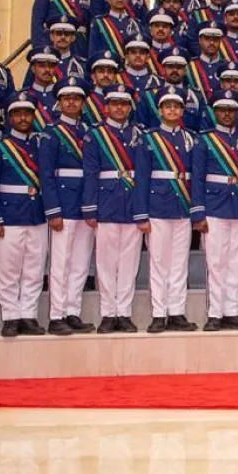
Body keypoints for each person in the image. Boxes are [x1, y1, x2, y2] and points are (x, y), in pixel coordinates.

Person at [190, 90, 238, 332]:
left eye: (231, 110)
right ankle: (214, 313)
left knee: (237, 261)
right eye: (222, 110)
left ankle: (232, 311)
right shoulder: (205, 140)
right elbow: (197, 178)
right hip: (214, 206)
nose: (227, 114)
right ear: (215, 112)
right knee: (216, 262)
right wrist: (198, 212)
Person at [0, 92, 50, 337]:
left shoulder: (41, 144)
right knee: (9, 270)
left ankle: (28, 314)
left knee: (34, 268)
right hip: (9, 215)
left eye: (27, 113)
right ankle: (10, 315)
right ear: (9, 117)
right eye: (18, 113)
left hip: (37, 214)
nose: (23, 118)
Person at [82, 85, 146, 333]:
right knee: (106, 263)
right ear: (105, 106)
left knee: (129, 264)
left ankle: (125, 312)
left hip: (132, 205)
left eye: (124, 103)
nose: (120, 108)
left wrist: (142, 210)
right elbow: (90, 173)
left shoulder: (139, 134)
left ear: (130, 107)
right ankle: (109, 313)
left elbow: (143, 174)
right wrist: (90, 207)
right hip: (107, 202)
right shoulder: (95, 135)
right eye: (115, 103)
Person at [133, 90, 198, 332]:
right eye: (167, 106)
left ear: (182, 110)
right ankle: (159, 313)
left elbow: (194, 177)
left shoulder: (190, 138)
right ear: (160, 110)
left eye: (176, 106)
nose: (172, 110)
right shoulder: (149, 139)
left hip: (182, 207)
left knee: (179, 263)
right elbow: (141, 178)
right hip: (157, 207)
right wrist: (141, 213)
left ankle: (177, 311)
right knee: (159, 262)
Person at [39, 79, 94, 335]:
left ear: (83, 103)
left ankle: (72, 310)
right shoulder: (51, 133)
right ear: (59, 102)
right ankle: (56, 314)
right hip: (63, 203)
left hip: (84, 205)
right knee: (60, 263)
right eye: (67, 98)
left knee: (81, 262)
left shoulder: (89, 131)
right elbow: (46, 174)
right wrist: (53, 209)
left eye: (76, 98)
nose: (72, 102)